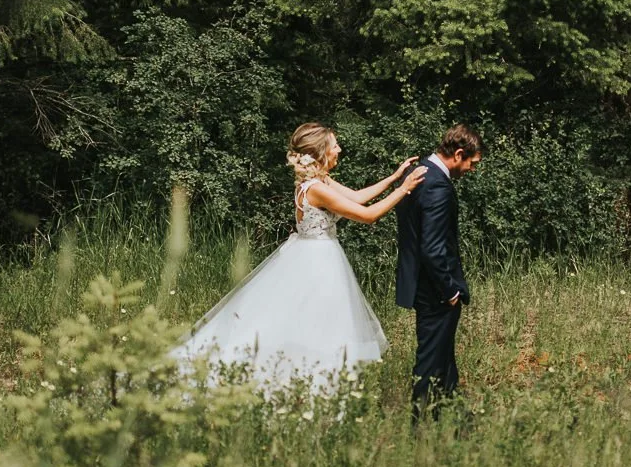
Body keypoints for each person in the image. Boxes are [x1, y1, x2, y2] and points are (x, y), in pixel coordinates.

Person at [174, 122, 427, 388]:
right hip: (317, 261)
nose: (339, 149)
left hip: (318, 254)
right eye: (334, 145)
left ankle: (314, 379)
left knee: (318, 321)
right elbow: (367, 215)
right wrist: (404, 188)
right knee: (313, 318)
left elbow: (356, 197)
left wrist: (394, 178)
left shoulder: (320, 181)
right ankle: (304, 379)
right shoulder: (315, 189)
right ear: (320, 152)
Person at [395, 123, 483, 423]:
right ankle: (418, 428)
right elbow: (433, 249)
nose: (472, 169)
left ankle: (460, 424)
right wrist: (451, 291)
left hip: (421, 284)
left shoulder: (417, 173)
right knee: (430, 361)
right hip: (435, 290)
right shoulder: (438, 187)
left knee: (442, 357)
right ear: (459, 154)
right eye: (472, 162)